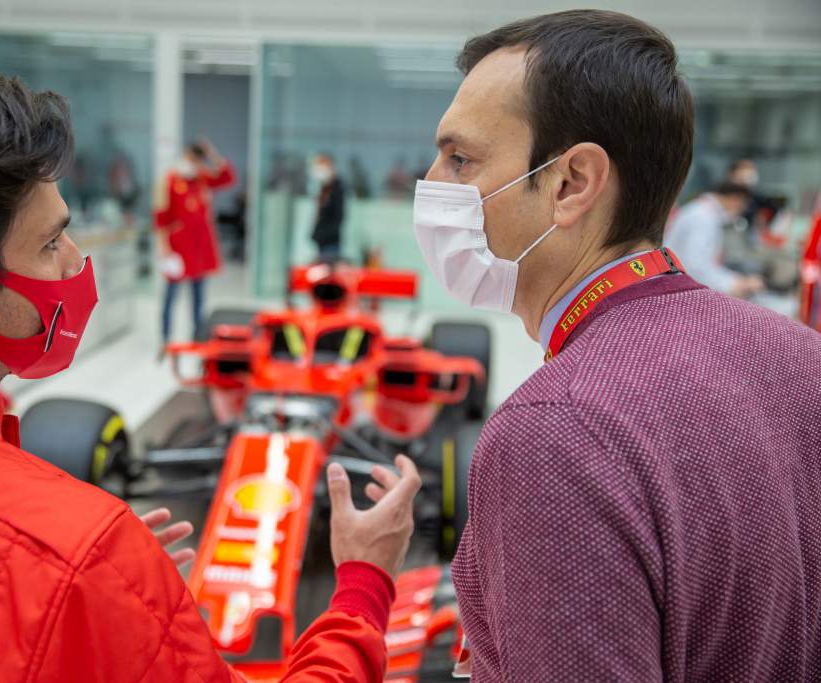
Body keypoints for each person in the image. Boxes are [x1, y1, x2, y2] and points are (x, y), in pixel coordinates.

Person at [0, 67, 423, 681]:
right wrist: (364, 583)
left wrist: (98, 584)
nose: (75, 261)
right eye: (50, 244)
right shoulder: (82, 555)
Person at [413, 10, 821, 681]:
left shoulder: (557, 433)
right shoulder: (799, 355)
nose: (431, 184)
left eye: (461, 159)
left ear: (572, 183)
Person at [154, 140, 233, 345]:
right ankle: (165, 336)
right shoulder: (170, 180)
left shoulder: (201, 179)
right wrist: (164, 248)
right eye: (190, 159)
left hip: (200, 247)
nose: (193, 164)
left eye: (197, 161)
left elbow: (227, 178)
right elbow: (161, 217)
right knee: (171, 295)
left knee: (199, 296)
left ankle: (197, 336)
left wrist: (212, 154)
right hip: (178, 247)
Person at [664, 183, 765, 298]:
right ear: (735, 199)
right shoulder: (703, 217)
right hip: (679, 290)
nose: (741, 211)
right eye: (742, 206)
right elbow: (695, 268)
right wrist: (736, 283)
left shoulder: (704, 212)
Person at [310, 153, 346, 259]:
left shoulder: (337, 190)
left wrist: (322, 235)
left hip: (330, 246)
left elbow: (339, 218)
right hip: (322, 245)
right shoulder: (324, 189)